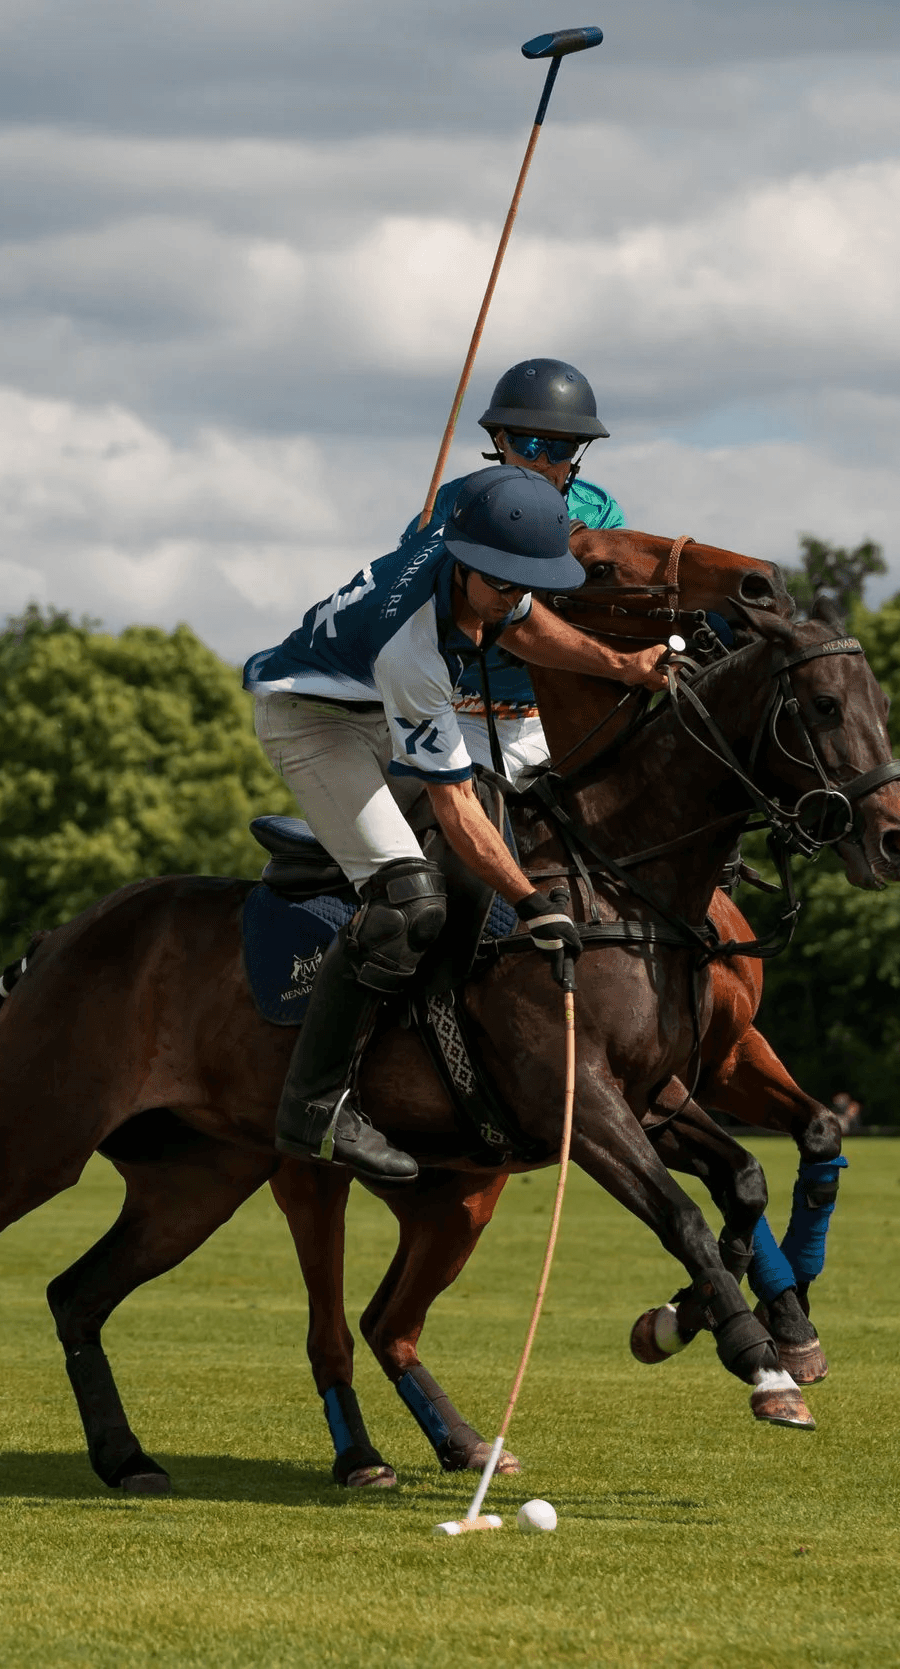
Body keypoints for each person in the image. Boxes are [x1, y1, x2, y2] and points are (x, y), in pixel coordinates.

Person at [243, 464, 667, 1181]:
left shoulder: (474, 562)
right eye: (502, 582)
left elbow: (524, 625)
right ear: (467, 564)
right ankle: (313, 1108)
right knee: (407, 899)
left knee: (478, 847)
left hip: (369, 705)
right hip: (312, 719)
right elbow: (455, 804)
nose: (514, 597)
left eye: (523, 582)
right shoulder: (412, 645)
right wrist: (532, 905)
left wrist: (622, 666)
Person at [432, 358, 627, 787]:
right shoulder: (453, 502)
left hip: (560, 716)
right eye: (529, 442)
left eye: (560, 448)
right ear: (501, 439)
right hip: (459, 714)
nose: (542, 461)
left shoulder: (601, 513)